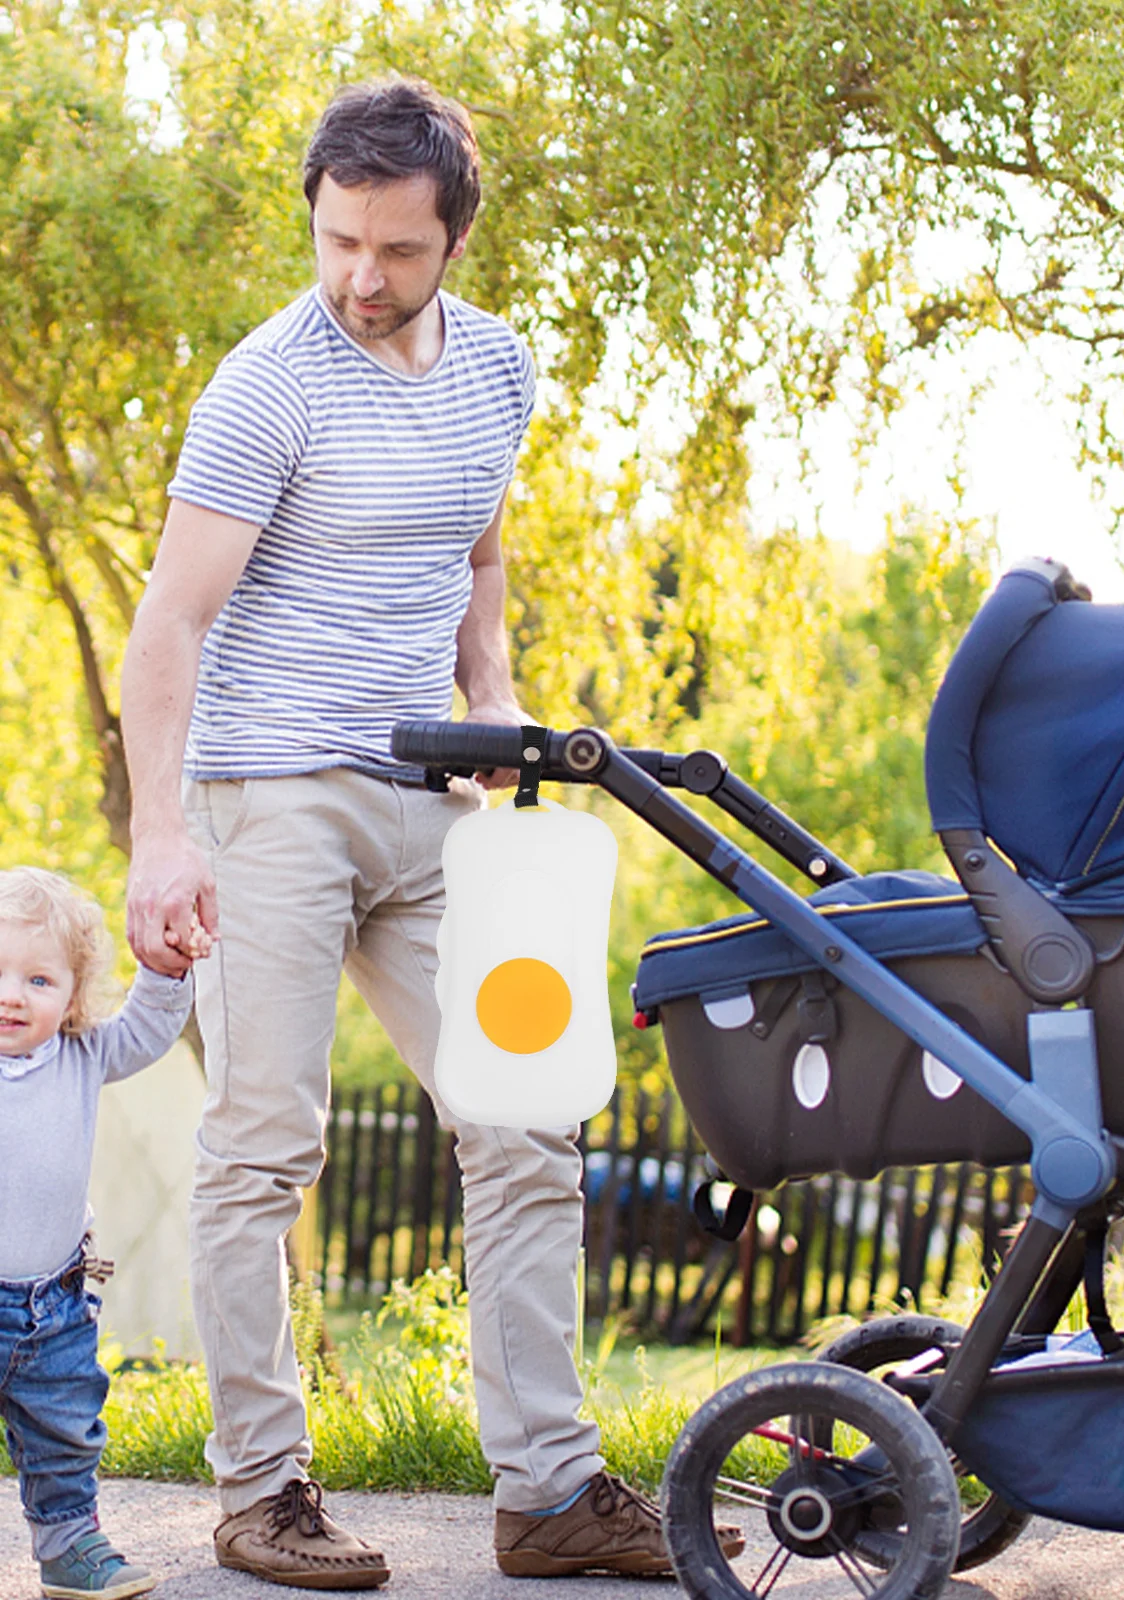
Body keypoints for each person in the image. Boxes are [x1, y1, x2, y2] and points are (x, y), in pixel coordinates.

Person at [120, 78, 729, 1587]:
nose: (362, 280)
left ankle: (548, 1491)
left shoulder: (499, 370)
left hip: (435, 802)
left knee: (529, 1127)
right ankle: (264, 1491)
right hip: (270, 802)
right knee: (267, 1145)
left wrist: (498, 717)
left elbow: (477, 556)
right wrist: (158, 841)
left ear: (455, 235)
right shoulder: (269, 384)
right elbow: (169, 626)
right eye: (339, 242)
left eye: (396, 249)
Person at [0, 866, 200, 1600]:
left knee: (66, 1435)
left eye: (39, 981)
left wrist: (166, 964)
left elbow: (149, 1028)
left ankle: (71, 1549)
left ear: (74, 997)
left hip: (54, 1307)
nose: (11, 995)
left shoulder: (83, 1058)